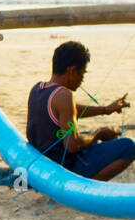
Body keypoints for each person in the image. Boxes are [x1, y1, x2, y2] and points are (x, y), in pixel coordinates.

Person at [26, 41, 132, 180]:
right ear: (71, 71)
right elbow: (72, 146)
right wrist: (98, 133)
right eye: (82, 74)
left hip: (44, 161)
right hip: (65, 167)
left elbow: (70, 110)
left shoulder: (38, 89)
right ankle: (90, 187)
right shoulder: (64, 95)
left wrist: (106, 110)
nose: (82, 80)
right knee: (128, 147)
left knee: (87, 136)